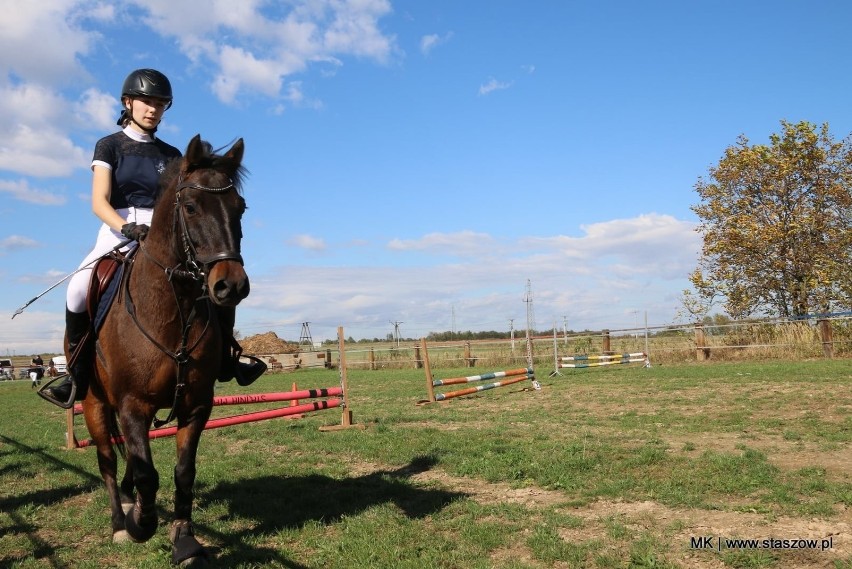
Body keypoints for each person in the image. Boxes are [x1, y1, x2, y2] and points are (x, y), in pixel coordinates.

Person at [41, 69, 265, 408]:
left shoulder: (173, 154)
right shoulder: (110, 146)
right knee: (77, 288)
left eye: (160, 104)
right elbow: (99, 201)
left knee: (208, 282)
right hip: (119, 226)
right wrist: (126, 227)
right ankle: (77, 374)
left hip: (166, 231)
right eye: (147, 102)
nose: (153, 109)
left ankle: (227, 358)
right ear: (128, 102)